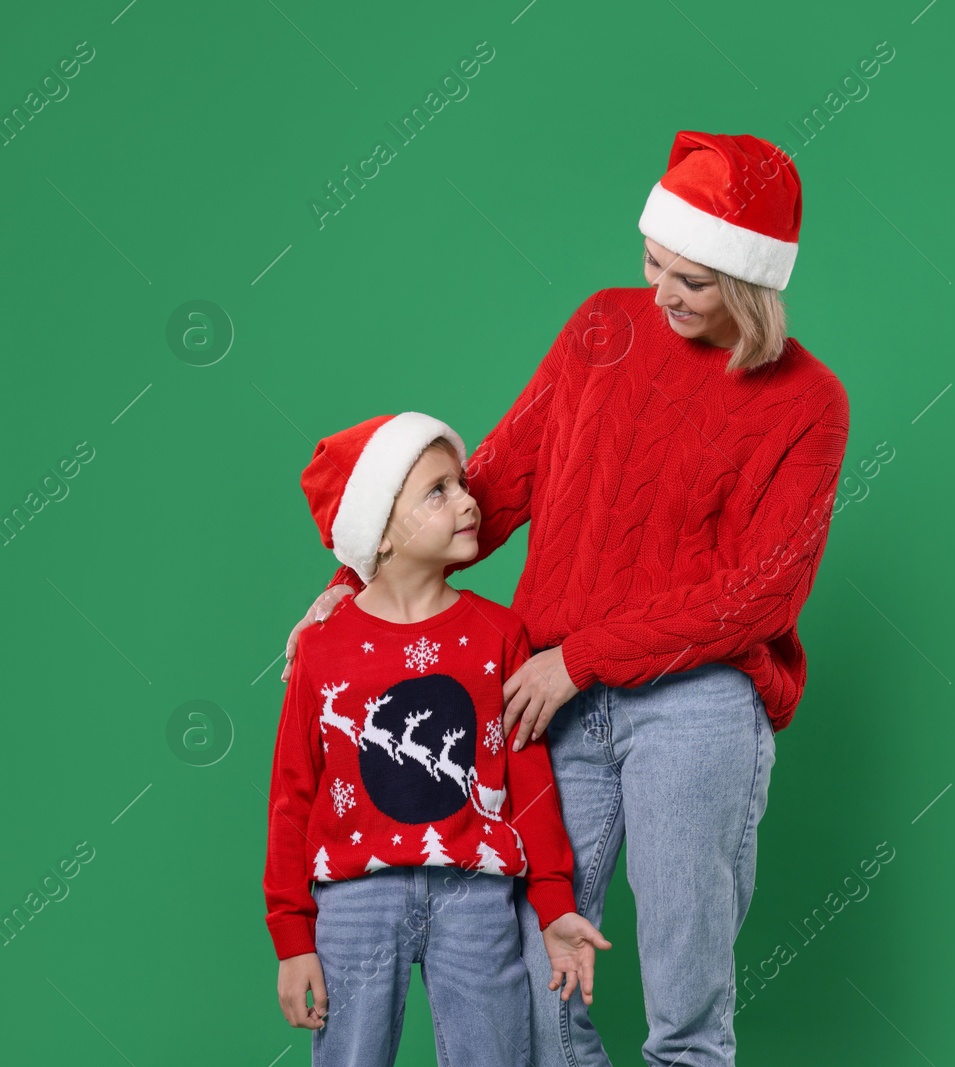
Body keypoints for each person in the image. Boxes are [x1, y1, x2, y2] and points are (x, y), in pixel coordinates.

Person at [282, 130, 850, 1066]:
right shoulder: (604, 327)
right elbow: (496, 481)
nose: (660, 293)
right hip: (551, 702)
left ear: (750, 286)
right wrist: (357, 582)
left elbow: (760, 596)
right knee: (539, 981)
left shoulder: (809, 402)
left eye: (692, 281)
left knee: (684, 993)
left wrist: (580, 657)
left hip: (691, 705)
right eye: (651, 262)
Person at [264, 412, 611, 1066]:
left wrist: (555, 903)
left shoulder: (501, 634)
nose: (468, 500)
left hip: (477, 898)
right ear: (379, 532)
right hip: (355, 901)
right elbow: (291, 794)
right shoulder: (320, 648)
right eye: (437, 491)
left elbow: (530, 782)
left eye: (460, 483)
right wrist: (292, 936)